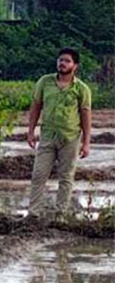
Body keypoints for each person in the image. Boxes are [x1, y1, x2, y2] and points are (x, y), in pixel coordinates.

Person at [26, 48, 92, 217]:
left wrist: (86, 142)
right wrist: (31, 131)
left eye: (67, 61)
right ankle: (33, 213)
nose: (62, 63)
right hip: (48, 136)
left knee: (66, 178)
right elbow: (36, 106)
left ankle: (60, 215)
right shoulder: (45, 82)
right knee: (39, 175)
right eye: (60, 60)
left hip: (70, 138)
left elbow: (85, 115)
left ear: (75, 66)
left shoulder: (81, 89)